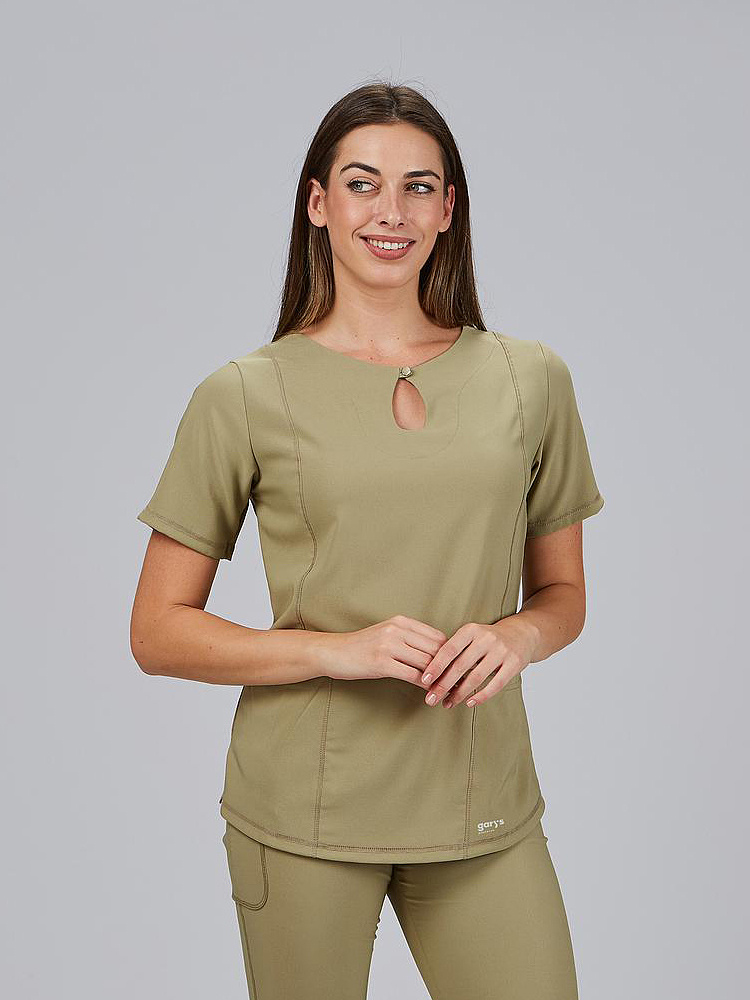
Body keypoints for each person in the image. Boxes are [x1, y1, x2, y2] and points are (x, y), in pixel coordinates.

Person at [131, 81, 605, 1000]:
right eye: (362, 184)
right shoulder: (244, 394)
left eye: (419, 186)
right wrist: (336, 650)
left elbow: (565, 596)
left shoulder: (531, 380)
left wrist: (516, 636)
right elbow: (156, 631)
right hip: (302, 809)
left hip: (480, 802)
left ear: (448, 209)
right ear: (318, 204)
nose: (392, 211)